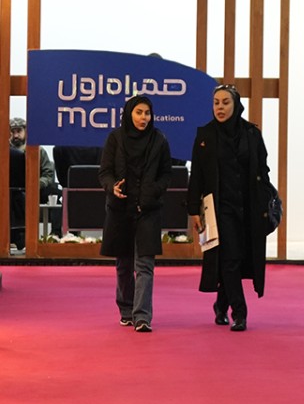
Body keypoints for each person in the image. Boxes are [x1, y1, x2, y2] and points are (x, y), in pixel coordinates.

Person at [187, 84, 271, 332]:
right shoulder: (205, 135)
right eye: (216, 103)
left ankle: (220, 305)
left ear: (236, 105)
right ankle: (240, 312)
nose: (220, 108)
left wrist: (266, 201)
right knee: (230, 258)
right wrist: (193, 210)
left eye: (225, 102)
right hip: (219, 209)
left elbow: (263, 170)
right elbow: (197, 176)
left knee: (235, 258)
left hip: (248, 208)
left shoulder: (251, 134)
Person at [98, 95, 173, 333]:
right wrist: (112, 187)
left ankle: (142, 316)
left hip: (148, 210)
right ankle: (126, 309)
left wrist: (155, 190)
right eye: (139, 112)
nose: (144, 118)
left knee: (145, 265)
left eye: (147, 113)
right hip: (120, 209)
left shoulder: (159, 139)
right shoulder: (115, 138)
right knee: (123, 264)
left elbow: (166, 173)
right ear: (129, 114)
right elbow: (104, 172)